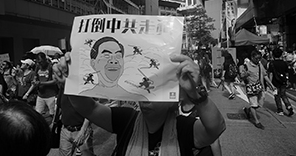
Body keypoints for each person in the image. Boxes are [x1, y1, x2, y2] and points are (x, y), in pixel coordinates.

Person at [53, 53, 226, 156]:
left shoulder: (184, 128)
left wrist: (197, 94)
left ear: (173, 100)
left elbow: (216, 128)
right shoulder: (126, 119)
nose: (146, 95)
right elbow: (88, 108)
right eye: (144, 87)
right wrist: (71, 79)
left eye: (156, 89)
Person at [79, 36, 147, 100]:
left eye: (118, 56)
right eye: (106, 55)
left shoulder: (139, 99)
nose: (113, 61)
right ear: (93, 63)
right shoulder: (81, 97)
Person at [54, 76, 93, 156]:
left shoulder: (83, 89)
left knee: (86, 154)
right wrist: (54, 122)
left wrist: (82, 132)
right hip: (65, 130)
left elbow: (90, 112)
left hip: (81, 130)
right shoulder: (63, 89)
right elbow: (60, 108)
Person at [240, 50, 276, 130]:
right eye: (256, 58)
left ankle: (248, 109)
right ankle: (256, 121)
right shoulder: (246, 66)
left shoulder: (260, 65)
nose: (258, 60)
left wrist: (271, 85)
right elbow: (241, 76)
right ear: (252, 57)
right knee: (254, 105)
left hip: (260, 88)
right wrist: (245, 74)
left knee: (260, 103)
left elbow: (265, 75)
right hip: (251, 88)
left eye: (259, 58)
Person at [27, 52, 58, 120]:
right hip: (40, 95)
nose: (39, 63)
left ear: (45, 59)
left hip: (51, 95)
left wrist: (41, 83)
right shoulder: (37, 66)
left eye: (41, 62)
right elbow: (36, 77)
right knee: (37, 114)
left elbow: (54, 81)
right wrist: (35, 81)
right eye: (38, 62)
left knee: (53, 114)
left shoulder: (51, 67)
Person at [268, 48, 294, 116]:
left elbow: (271, 74)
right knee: (283, 95)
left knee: (277, 96)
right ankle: (289, 106)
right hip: (283, 82)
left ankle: (280, 110)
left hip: (275, 82)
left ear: (273, 55)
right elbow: (287, 73)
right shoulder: (284, 63)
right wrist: (287, 80)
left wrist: (270, 83)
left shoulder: (272, 63)